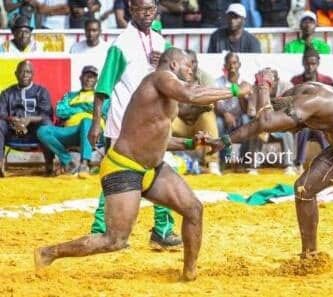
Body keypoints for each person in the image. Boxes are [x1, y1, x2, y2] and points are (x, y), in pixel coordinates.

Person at [34, 47, 253, 281]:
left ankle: (189, 274)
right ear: (173, 65)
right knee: (114, 240)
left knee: (193, 209)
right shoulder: (159, 78)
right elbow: (191, 93)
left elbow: (159, 138)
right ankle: (48, 252)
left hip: (152, 168)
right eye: (187, 65)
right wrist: (235, 90)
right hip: (124, 167)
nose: (192, 69)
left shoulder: (166, 95)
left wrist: (191, 142)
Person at [207, 69, 333, 272]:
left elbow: (267, 122)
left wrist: (262, 86)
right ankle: (310, 257)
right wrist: (222, 141)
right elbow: (261, 124)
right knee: (303, 189)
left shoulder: (310, 101)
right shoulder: (299, 101)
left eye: (286, 126)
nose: (288, 130)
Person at [86, 0, 179, 250]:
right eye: (140, 9)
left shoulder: (162, 42)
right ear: (130, 10)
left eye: (150, 9)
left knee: (158, 171)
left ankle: (162, 229)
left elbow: (177, 74)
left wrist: (165, 62)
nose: (145, 14)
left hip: (151, 123)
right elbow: (103, 87)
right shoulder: (121, 45)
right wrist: (96, 122)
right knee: (117, 177)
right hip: (123, 124)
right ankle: (101, 229)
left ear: (156, 10)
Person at [37, 65, 109, 177]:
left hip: (93, 134)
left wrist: (74, 108)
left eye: (92, 77)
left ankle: (84, 164)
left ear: (96, 80)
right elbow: (60, 111)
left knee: (86, 121)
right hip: (71, 131)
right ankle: (68, 162)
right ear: (81, 78)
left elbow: (103, 110)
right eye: (86, 76)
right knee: (42, 131)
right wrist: (85, 107)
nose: (89, 79)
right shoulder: (70, 96)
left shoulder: (101, 97)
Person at [172, 49, 222, 175]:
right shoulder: (172, 78)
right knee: (164, 118)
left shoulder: (205, 78)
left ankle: (212, 162)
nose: (190, 66)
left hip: (199, 122)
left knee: (208, 115)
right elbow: (173, 108)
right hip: (180, 122)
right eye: (187, 63)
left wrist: (190, 108)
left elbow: (210, 105)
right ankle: (165, 160)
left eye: (193, 62)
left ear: (197, 63)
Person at [0, 60, 54, 176]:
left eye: (28, 72)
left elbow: (46, 113)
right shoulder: (6, 93)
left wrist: (30, 119)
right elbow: (1, 112)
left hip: (35, 131)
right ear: (16, 74)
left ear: (33, 74)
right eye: (22, 72)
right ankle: (0, 164)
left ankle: (49, 164)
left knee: (46, 124)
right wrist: (12, 119)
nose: (25, 75)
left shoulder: (42, 91)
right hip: (12, 130)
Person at [290, 47, 332, 174]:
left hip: (322, 119)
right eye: (307, 63)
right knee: (304, 129)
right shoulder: (295, 81)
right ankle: (299, 164)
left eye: (313, 64)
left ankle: (329, 163)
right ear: (303, 63)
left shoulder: (327, 81)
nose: (310, 67)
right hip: (302, 120)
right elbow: (292, 103)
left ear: (318, 64)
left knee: (321, 131)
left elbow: (332, 104)